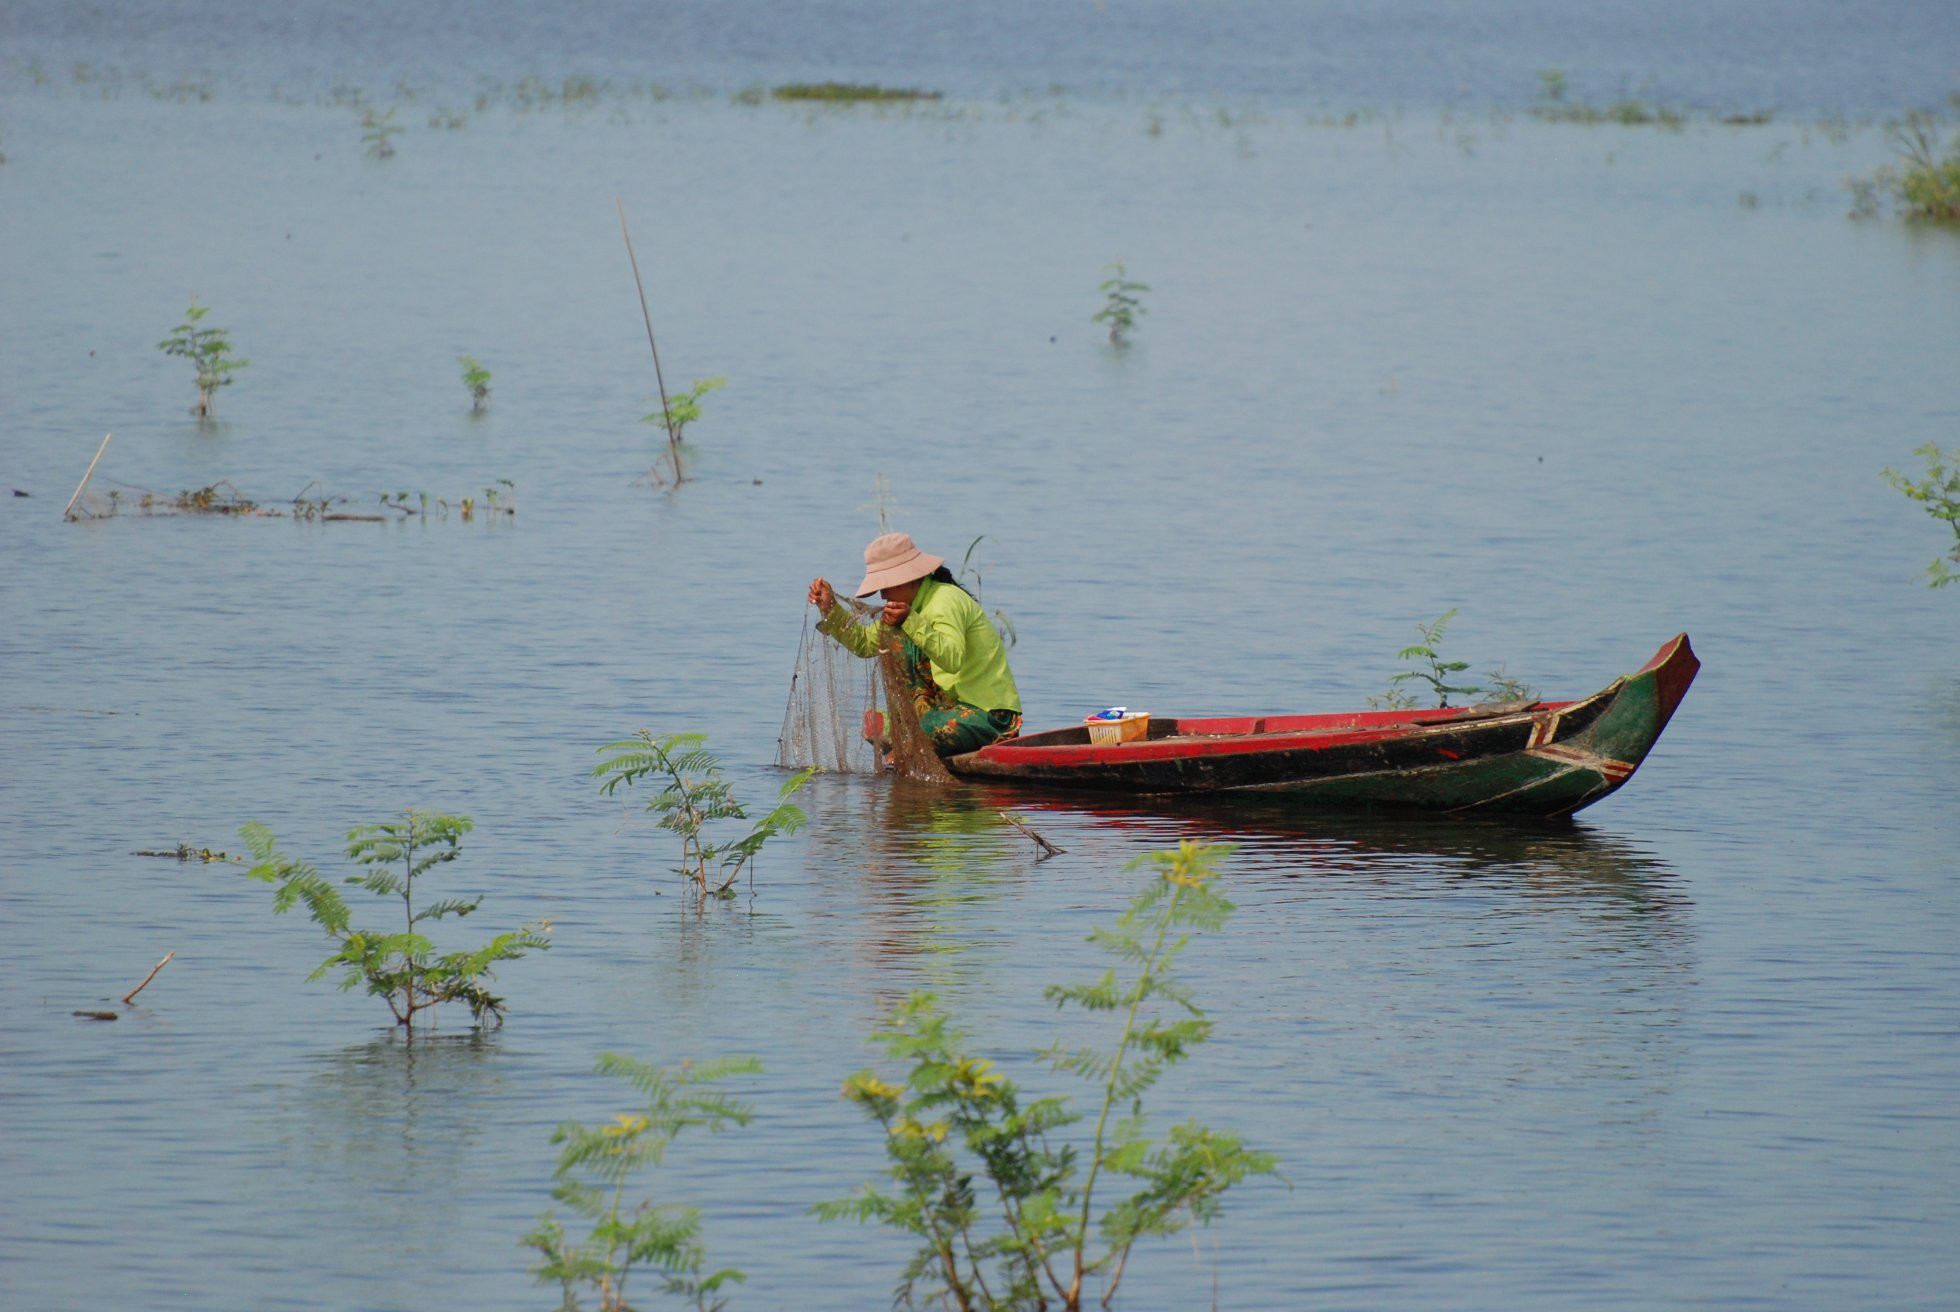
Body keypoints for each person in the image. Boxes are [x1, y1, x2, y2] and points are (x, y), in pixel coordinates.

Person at [808, 532, 1022, 757]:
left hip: (990, 717)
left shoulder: (945, 601)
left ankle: (913, 740)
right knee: (881, 726)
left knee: (915, 732)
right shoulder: (905, 608)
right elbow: (865, 644)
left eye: (885, 586)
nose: (882, 596)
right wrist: (831, 609)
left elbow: (952, 659)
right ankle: (915, 735)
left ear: (907, 578)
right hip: (946, 710)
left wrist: (911, 621)